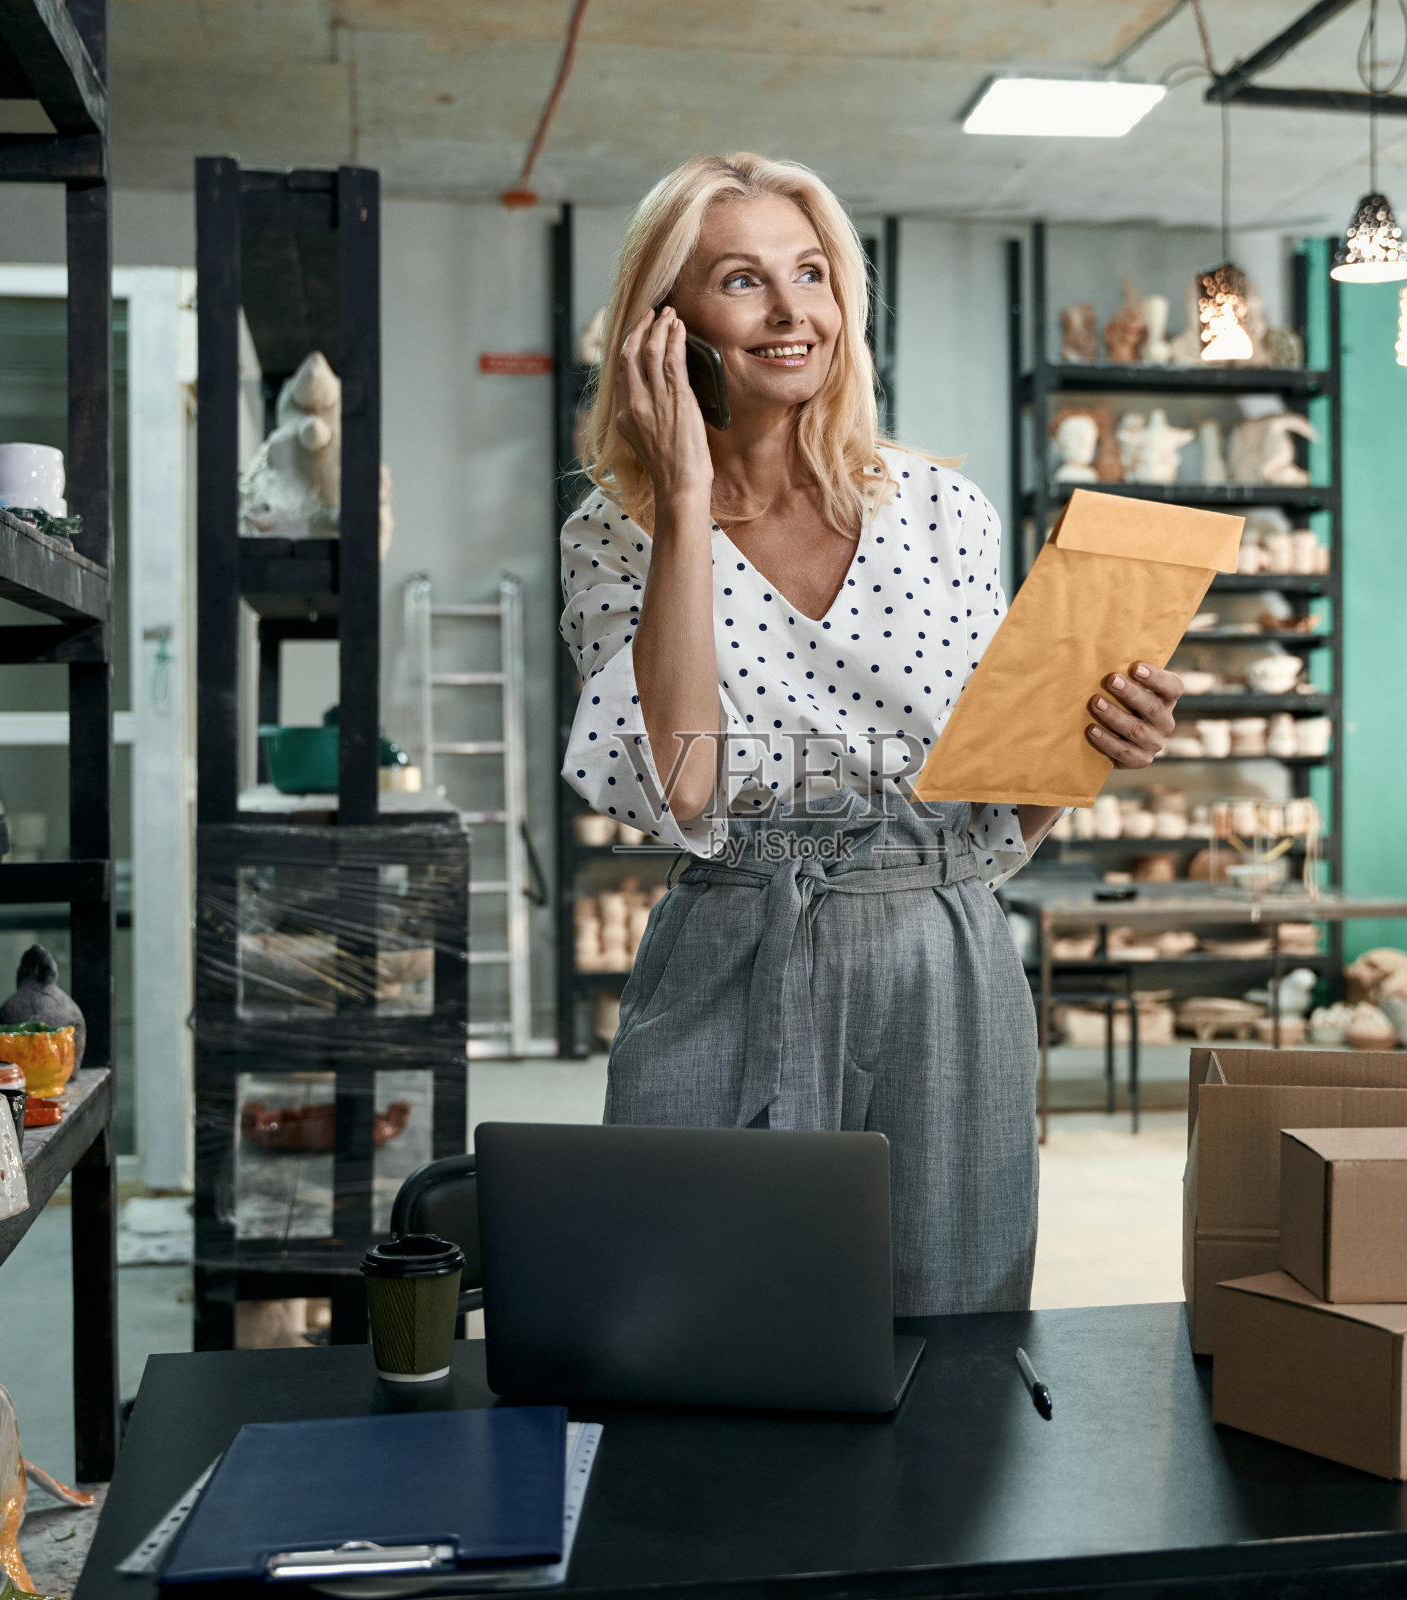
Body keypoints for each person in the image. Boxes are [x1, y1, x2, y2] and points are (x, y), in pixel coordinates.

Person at [558, 153, 1183, 1315]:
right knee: (694, 1320)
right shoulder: (616, 532)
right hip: (735, 948)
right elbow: (686, 789)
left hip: (941, 952)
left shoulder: (943, 510)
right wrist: (686, 498)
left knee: (948, 1324)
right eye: (743, 280)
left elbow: (995, 826)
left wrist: (1093, 739)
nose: (793, 313)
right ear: (667, 324)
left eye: (813, 274)